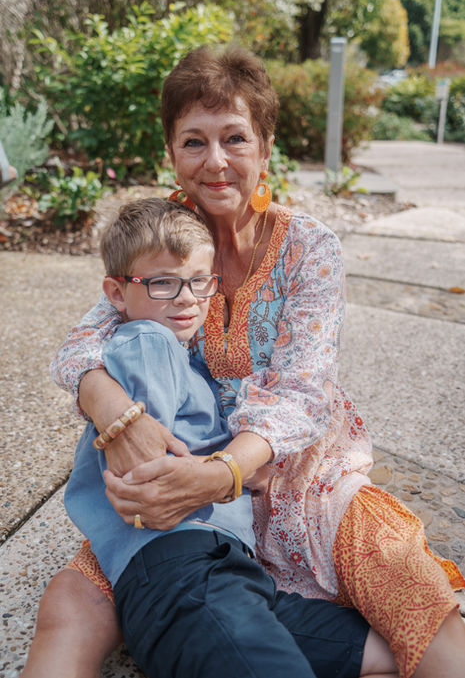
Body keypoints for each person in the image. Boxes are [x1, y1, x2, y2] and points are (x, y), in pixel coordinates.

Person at [22, 45, 465, 678]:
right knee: (74, 598)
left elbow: (303, 391)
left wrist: (224, 474)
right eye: (194, 142)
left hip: (294, 475)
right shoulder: (161, 241)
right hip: (179, 478)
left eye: (235, 138)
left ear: (265, 145)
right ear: (171, 151)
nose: (216, 162)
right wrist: (121, 418)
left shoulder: (308, 246)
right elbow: (81, 344)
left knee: (409, 584)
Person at [26, 195, 397, 678]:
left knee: (387, 653)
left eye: (199, 281)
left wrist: (242, 467)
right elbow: (146, 458)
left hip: (231, 573)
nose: (185, 297)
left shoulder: (185, 356)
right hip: (179, 566)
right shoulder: (147, 343)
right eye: (162, 283)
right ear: (116, 294)